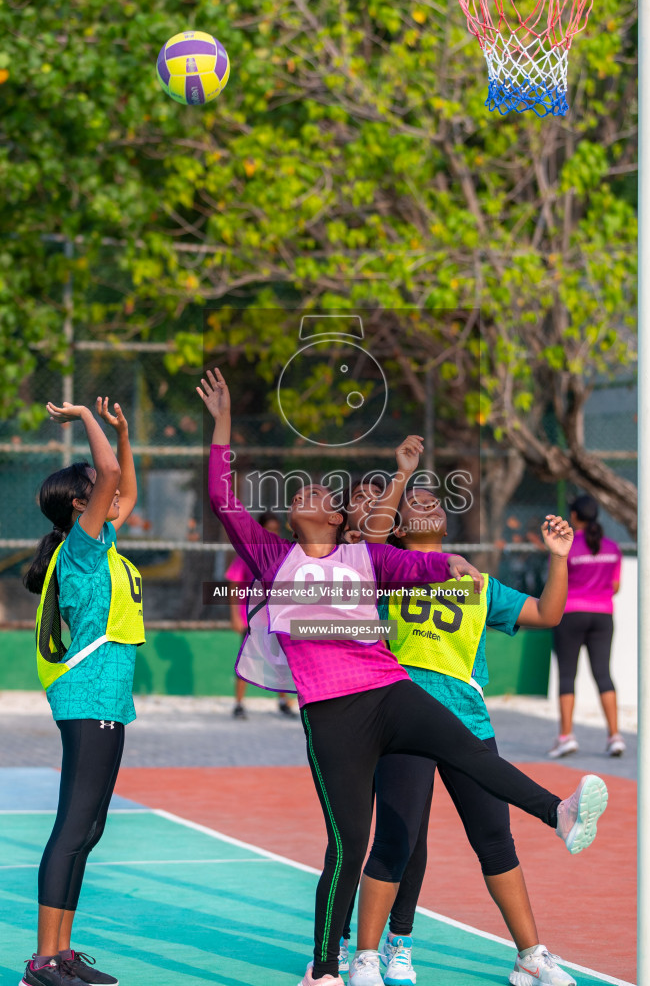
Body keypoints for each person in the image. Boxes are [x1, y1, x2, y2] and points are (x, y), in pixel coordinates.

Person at [197, 368, 608, 986]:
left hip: (388, 691)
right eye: (306, 492)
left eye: (321, 496)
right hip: (332, 715)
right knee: (351, 843)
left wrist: (453, 563)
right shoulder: (271, 557)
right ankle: (331, 969)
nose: (310, 494)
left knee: (467, 749)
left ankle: (559, 814)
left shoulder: (365, 557)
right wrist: (223, 423)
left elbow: (421, 559)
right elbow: (222, 495)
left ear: (336, 523)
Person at [342, 471, 578, 986]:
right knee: (397, 840)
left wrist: (558, 557)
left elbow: (549, 612)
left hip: (467, 721)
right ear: (399, 528)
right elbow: (371, 546)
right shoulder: (387, 573)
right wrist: (398, 480)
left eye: (434, 501)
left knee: (495, 840)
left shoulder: (479, 584)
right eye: (416, 502)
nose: (429, 504)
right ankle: (366, 956)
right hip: (403, 720)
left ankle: (530, 955)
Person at [21, 397, 144, 986]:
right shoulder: (82, 545)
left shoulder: (102, 543)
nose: (109, 490)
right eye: (96, 488)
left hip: (108, 700)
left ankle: (62, 956)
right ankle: (44, 961)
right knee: (74, 826)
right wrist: (85, 420)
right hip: (88, 698)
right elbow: (115, 480)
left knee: (89, 828)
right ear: (80, 503)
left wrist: (123, 433)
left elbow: (127, 487)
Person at [549, 495, 624, 759]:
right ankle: (615, 736)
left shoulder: (566, 546)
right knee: (603, 674)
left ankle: (566, 737)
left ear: (575, 517)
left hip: (570, 614)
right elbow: (615, 587)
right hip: (603, 615)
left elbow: (556, 583)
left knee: (568, 675)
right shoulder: (613, 547)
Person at [225, 511, 297, 719]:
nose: (272, 533)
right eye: (268, 529)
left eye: (275, 530)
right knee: (248, 658)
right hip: (252, 618)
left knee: (282, 659)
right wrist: (235, 616)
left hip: (277, 617)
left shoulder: (283, 554)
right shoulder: (249, 555)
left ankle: (283, 701)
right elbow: (234, 583)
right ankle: (238, 704)